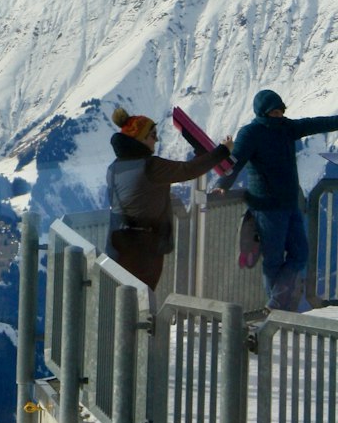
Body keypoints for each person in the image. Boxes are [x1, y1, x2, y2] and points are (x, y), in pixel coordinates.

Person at [214, 88, 338, 310]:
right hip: (266, 208)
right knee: (273, 261)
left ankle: (275, 305)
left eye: (280, 112)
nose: (278, 116)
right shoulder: (250, 133)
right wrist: (222, 184)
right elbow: (236, 161)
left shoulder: (287, 128)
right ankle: (277, 309)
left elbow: (317, 123)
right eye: (274, 113)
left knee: (300, 254)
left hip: (290, 204)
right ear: (262, 113)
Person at [106, 106, 232, 290]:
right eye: (153, 135)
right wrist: (223, 151)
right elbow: (188, 170)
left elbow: (131, 196)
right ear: (141, 139)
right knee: (142, 299)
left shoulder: (113, 168)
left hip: (117, 243)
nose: (156, 139)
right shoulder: (151, 166)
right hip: (144, 248)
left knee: (121, 299)